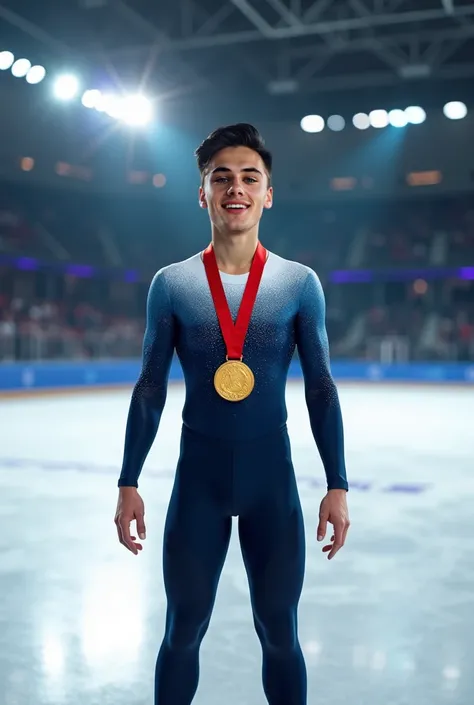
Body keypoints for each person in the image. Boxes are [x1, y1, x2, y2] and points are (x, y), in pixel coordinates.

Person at [114, 123, 350, 705]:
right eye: (222, 178)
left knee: (279, 635)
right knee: (182, 632)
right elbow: (149, 389)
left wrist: (337, 484)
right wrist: (128, 480)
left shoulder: (299, 283)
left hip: (273, 484)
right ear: (203, 193)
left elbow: (321, 388)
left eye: (250, 177)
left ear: (268, 193)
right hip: (200, 484)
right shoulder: (173, 284)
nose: (235, 188)